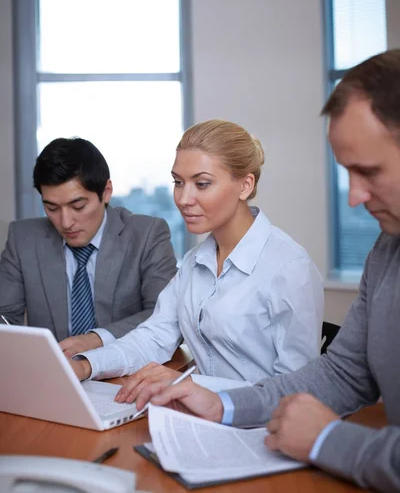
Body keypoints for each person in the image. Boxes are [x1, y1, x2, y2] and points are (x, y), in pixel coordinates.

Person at [135, 50, 400, 493]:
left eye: (369, 171)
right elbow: (343, 373)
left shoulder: (288, 265)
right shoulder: (385, 251)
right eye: (347, 172)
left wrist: (332, 441)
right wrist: (222, 405)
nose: (353, 196)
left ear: (245, 185)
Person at [70, 119, 324, 401]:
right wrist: (84, 365)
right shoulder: (194, 262)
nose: (183, 199)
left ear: (245, 185)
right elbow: (155, 336)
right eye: (178, 182)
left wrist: (197, 386)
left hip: (261, 428)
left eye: (202, 184)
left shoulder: (290, 268)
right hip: (203, 419)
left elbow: (298, 391)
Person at [0, 137, 177, 355]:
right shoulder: (23, 239)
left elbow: (164, 316)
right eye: (52, 208)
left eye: (78, 206)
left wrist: (97, 339)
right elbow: (5, 319)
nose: (65, 222)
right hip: (53, 376)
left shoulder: (147, 235)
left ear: (106, 192)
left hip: (126, 374)